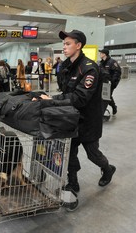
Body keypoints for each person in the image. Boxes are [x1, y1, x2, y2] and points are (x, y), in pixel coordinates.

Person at [37, 29, 116, 210]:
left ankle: (108, 168)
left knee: (92, 153)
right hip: (70, 119)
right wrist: (53, 99)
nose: (63, 47)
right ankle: (73, 182)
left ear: (78, 45)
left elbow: (80, 98)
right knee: (69, 153)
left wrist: (52, 101)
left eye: (67, 44)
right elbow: (66, 92)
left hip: (88, 120)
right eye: (63, 44)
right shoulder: (66, 66)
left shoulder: (89, 68)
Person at [99, 48, 121, 115]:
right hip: (104, 82)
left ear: (104, 54)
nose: (100, 54)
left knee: (106, 96)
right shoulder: (101, 63)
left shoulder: (112, 62)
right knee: (106, 96)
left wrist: (113, 81)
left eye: (101, 53)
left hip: (111, 82)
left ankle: (102, 113)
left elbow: (117, 72)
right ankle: (114, 106)